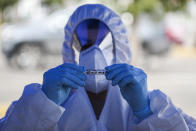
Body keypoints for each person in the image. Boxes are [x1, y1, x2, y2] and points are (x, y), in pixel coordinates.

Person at [0, 4, 196, 131]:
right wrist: (41, 107)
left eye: (104, 45)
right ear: (70, 49)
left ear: (121, 48)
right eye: (84, 44)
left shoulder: (149, 103)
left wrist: (146, 112)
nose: (94, 53)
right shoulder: (50, 101)